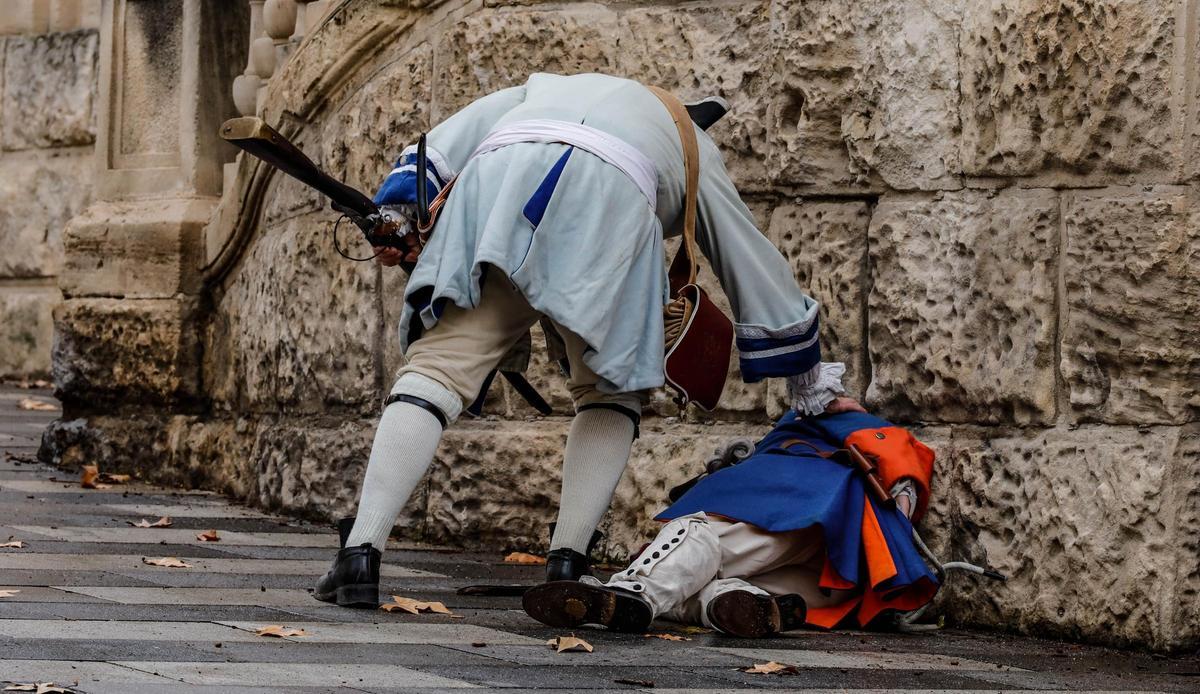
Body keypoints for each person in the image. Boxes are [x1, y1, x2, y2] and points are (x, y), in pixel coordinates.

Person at [315, 72, 851, 608]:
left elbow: (442, 147)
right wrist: (810, 384)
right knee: (609, 389)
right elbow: (743, 251)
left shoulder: (545, 86)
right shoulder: (691, 140)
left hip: (499, 179)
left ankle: (361, 553)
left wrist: (398, 215)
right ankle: (567, 562)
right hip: (611, 196)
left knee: (436, 370)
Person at [521, 406, 939, 637]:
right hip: (837, 582)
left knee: (707, 537)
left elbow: (899, 466)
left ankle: (631, 591)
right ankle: (731, 604)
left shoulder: (834, 429)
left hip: (811, 518)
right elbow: (904, 483)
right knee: (706, 579)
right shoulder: (810, 430)